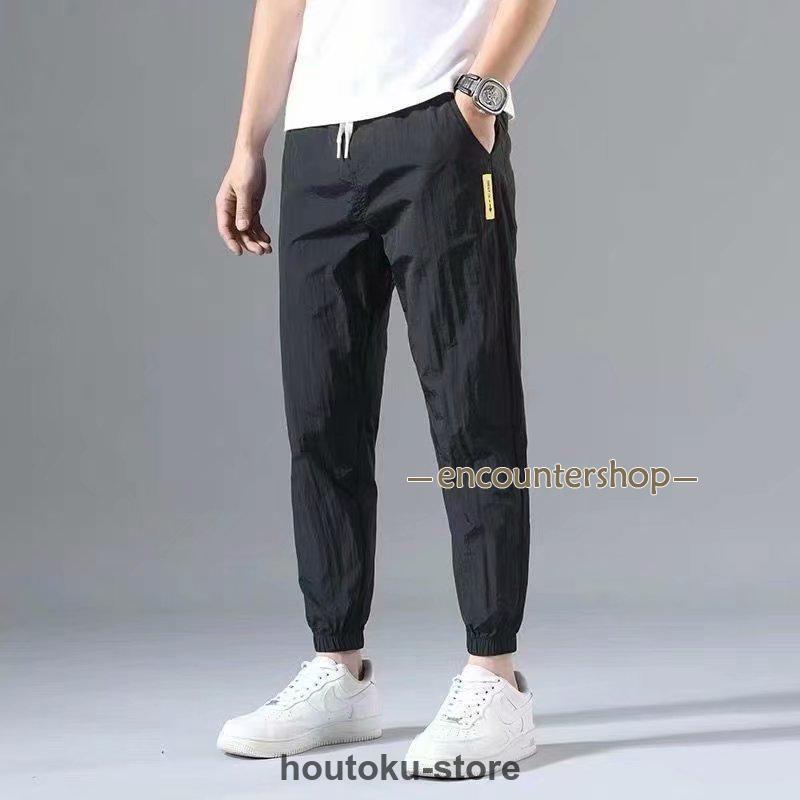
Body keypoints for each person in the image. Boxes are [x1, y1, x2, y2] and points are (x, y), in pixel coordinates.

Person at [214, 0, 556, 772]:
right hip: (316, 146)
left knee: (473, 408)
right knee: (320, 416)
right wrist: (249, 142)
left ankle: (495, 677)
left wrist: (479, 98)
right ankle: (338, 668)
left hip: (437, 124)